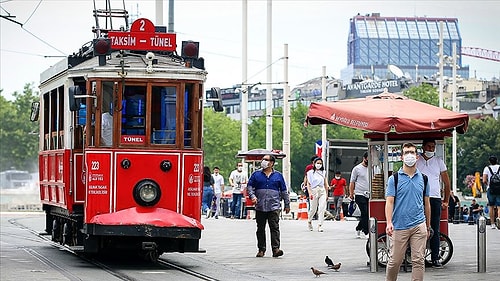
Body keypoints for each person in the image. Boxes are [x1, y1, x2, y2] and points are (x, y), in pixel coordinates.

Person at [385, 142, 431, 281]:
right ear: (401, 157)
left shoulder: (423, 178)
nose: (409, 155)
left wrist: (427, 226)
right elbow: (389, 201)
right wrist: (389, 222)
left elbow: (427, 204)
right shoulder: (395, 179)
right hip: (399, 226)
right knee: (395, 261)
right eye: (406, 153)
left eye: (412, 152)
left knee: (418, 261)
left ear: (417, 157)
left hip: (419, 224)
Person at [415, 139, 451, 268]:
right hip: (418, 197)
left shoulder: (439, 161)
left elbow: (447, 183)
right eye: (429, 147)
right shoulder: (416, 160)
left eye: (433, 147)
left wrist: (446, 200)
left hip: (435, 198)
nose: (431, 149)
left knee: (434, 228)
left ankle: (435, 257)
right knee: (418, 228)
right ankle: (418, 256)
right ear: (423, 147)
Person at [247, 154, 290, 258]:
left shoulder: (278, 176)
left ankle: (276, 249)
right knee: (260, 228)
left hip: (274, 206)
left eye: (266, 160)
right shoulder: (256, 175)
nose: (264, 162)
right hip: (260, 206)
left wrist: (287, 204)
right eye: (263, 160)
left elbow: (284, 191)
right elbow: (249, 187)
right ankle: (261, 249)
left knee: (274, 228)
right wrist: (252, 196)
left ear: (272, 163)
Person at [349, 151, 369, 238]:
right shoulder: (357, 169)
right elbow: (352, 182)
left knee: (368, 213)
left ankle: (358, 228)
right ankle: (366, 231)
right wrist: (351, 193)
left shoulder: (372, 168)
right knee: (364, 212)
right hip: (359, 193)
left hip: (369, 193)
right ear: (364, 158)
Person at [306, 157, 329, 232]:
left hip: (322, 190)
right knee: (313, 209)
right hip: (314, 190)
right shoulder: (310, 173)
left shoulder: (323, 172)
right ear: (314, 164)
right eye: (317, 163)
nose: (319, 165)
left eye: (320, 163)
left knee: (322, 208)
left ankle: (320, 225)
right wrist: (309, 193)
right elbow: (308, 184)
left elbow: (326, 184)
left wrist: (327, 194)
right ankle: (309, 221)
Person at [482, 155, 500, 229]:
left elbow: (484, 180)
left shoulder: (487, 168)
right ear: (497, 160)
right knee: (499, 206)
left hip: (491, 189)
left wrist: (488, 185)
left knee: (491, 206)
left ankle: (492, 223)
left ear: (489, 161)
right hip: (499, 189)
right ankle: (499, 218)